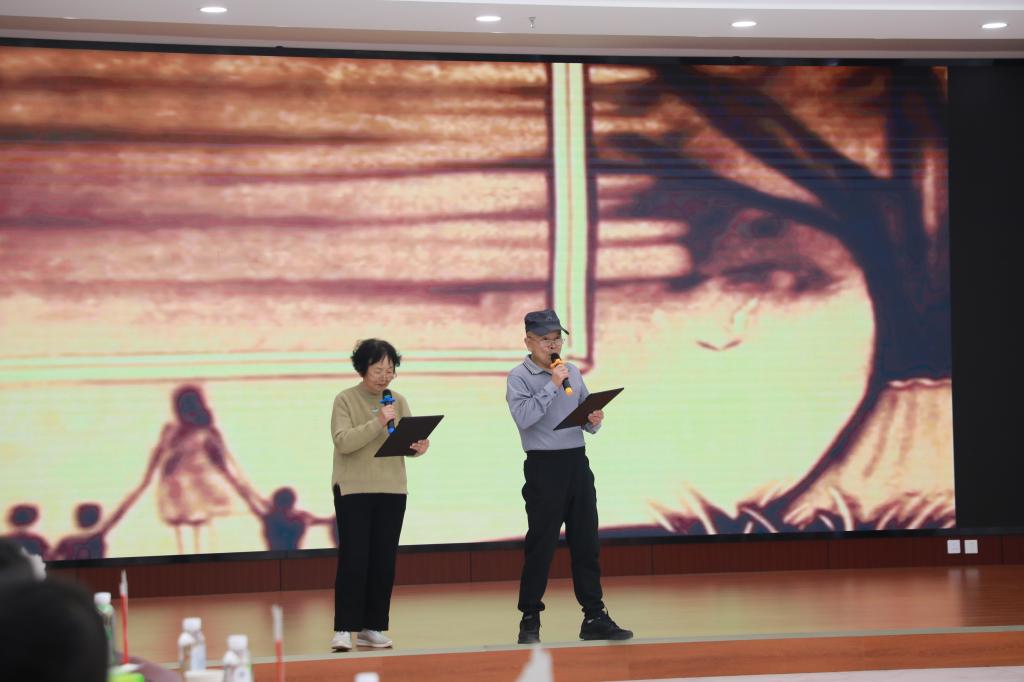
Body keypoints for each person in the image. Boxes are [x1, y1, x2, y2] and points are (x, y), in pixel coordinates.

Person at [506, 309, 632, 644]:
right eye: (545, 339)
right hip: (543, 466)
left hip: (577, 462)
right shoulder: (519, 377)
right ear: (528, 342)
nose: (553, 345)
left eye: (557, 339)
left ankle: (594, 616)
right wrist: (551, 385)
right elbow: (524, 418)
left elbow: (585, 415)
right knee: (542, 544)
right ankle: (530, 618)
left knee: (586, 542)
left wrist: (593, 418)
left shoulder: (572, 372)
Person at [329, 338, 429, 652]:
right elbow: (343, 441)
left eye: (390, 370)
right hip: (353, 489)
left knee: (383, 561)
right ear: (362, 368)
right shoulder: (345, 399)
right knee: (354, 560)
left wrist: (418, 447)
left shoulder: (398, 400)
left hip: (392, 489)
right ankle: (344, 628)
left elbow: (402, 442)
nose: (385, 376)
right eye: (378, 370)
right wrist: (378, 422)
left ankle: (372, 627)